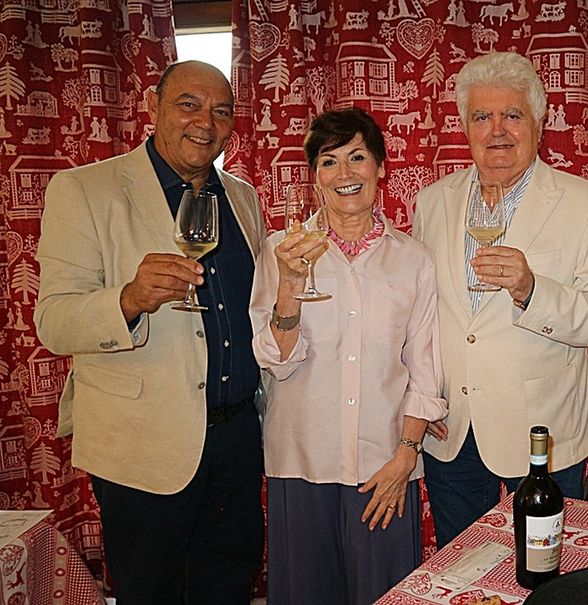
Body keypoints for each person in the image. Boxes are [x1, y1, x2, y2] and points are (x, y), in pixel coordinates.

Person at [34, 61, 265, 603]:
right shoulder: (85, 190)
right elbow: (54, 321)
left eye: (221, 111)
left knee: (228, 587)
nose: (205, 122)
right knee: (151, 592)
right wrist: (130, 299)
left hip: (235, 441)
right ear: (153, 106)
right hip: (141, 445)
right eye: (188, 104)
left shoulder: (242, 197)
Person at [413, 51, 588, 547]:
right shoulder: (433, 201)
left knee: (544, 569)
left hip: (543, 431)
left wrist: (530, 290)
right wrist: (421, 397)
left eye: (512, 115)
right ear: (465, 126)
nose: (497, 130)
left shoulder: (587, 204)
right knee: (462, 567)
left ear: (539, 122)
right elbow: (419, 315)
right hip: (452, 431)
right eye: (482, 117)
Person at [249, 107, 446, 604]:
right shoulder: (282, 250)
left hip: (385, 466)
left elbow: (424, 369)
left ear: (380, 167)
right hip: (302, 460)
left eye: (357, 157)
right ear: (315, 178)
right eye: (328, 161)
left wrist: (406, 456)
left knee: (386, 596)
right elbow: (275, 360)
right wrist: (290, 286)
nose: (344, 173)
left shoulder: (414, 259)